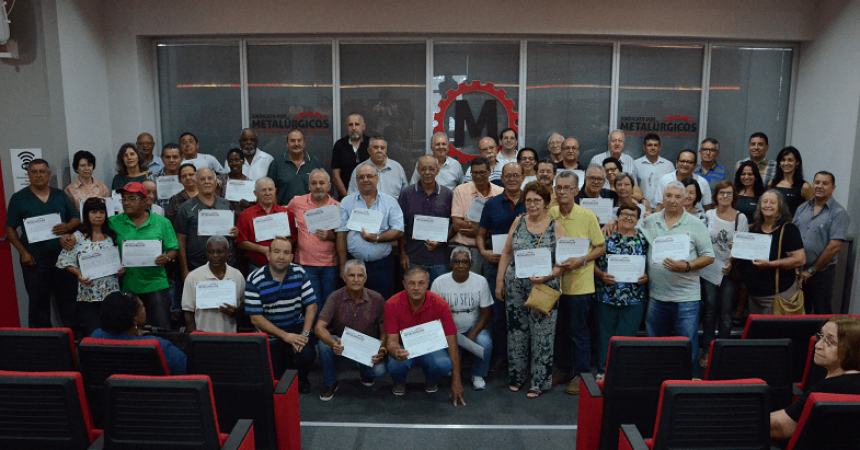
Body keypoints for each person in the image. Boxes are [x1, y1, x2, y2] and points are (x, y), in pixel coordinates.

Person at [496, 182, 567, 398]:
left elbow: (563, 262)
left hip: (544, 285)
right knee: (516, 331)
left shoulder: (556, 226)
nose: (533, 204)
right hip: (516, 284)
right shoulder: (518, 221)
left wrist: (549, 275)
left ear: (546, 202)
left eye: (537, 200)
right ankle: (517, 376)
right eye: (529, 200)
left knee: (542, 334)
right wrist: (500, 282)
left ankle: (539, 381)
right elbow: (507, 253)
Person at [640, 181, 715, 366]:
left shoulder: (696, 224)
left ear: (685, 200)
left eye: (677, 196)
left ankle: (685, 386)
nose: (672, 200)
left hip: (686, 299)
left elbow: (709, 256)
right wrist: (611, 222)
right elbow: (630, 235)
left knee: (686, 346)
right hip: (656, 297)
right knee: (655, 347)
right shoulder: (650, 221)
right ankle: (657, 384)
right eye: (669, 196)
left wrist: (687, 266)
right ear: (663, 198)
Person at [548, 171, 606, 394]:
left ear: (576, 190)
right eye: (558, 187)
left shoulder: (587, 216)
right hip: (555, 284)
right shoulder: (550, 213)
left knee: (578, 332)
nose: (562, 191)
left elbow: (600, 247)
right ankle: (563, 369)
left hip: (580, 285)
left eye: (567, 188)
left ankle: (581, 376)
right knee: (560, 330)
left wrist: (582, 259)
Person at [5, 159, 80, 328]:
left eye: (42, 171)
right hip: (35, 262)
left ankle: (74, 344)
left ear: (48, 174)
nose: (38, 175)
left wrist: (68, 226)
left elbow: (76, 219)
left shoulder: (59, 195)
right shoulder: (19, 198)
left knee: (69, 304)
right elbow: (10, 229)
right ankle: (43, 348)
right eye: (34, 172)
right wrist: (23, 252)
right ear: (28, 175)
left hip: (63, 259)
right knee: (39, 307)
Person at [770, 316, 860, 441]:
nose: (818, 345)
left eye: (830, 341)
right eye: (821, 336)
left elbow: (780, 427)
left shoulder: (829, 388)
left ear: (852, 350)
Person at [245, 238, 317, 393]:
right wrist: (285, 336)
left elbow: (311, 305)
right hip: (269, 334)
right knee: (275, 381)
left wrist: (304, 335)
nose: (281, 257)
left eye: (286, 253)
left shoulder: (299, 272)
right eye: (277, 252)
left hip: (295, 326)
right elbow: (255, 318)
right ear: (268, 255)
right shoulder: (254, 279)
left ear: (292, 257)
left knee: (307, 353)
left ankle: (301, 379)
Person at [385, 267, 465, 405]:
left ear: (427, 283)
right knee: (395, 364)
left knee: (444, 364)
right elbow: (391, 341)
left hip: (430, 348)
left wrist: (457, 381)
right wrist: (395, 351)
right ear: (404, 284)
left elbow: (452, 343)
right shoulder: (392, 304)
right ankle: (399, 382)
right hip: (404, 347)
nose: (416, 288)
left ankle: (431, 379)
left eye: (421, 283)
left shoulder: (441, 304)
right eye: (411, 283)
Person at [314, 259, 387, 401]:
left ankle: (364, 370)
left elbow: (385, 332)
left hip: (366, 348)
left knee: (379, 371)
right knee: (323, 344)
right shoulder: (335, 297)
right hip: (342, 344)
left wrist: (382, 349)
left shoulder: (377, 298)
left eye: (360, 276)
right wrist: (333, 343)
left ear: (365, 278)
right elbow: (319, 328)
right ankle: (331, 383)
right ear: (344, 277)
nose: (355, 280)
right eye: (351, 275)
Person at [477, 162, 526, 372]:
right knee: (498, 314)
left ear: (523, 177)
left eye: (516, 175)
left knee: (523, 313)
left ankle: (522, 357)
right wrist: (483, 252)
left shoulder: (532, 202)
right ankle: (500, 356)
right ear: (502, 179)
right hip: (497, 266)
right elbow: (480, 234)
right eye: (508, 175)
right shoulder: (491, 204)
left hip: (525, 266)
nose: (512, 179)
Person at [109, 182, 179, 329]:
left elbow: (174, 249)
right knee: (128, 330)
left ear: (144, 201)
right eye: (124, 199)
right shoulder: (113, 222)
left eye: (132, 198)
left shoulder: (162, 222)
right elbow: (92, 234)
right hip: (128, 285)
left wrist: (166, 257)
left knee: (161, 328)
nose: (126, 203)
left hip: (156, 284)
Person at [593, 203, 649, 379]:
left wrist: (647, 276)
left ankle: (622, 373)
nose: (628, 217)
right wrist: (601, 275)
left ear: (638, 220)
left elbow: (651, 265)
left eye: (633, 215)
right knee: (605, 336)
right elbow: (590, 261)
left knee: (627, 338)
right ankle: (603, 371)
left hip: (633, 298)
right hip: (606, 294)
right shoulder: (605, 236)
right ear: (617, 216)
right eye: (624, 213)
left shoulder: (643, 239)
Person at [56, 198, 124, 336]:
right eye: (93, 212)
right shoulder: (78, 237)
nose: (98, 216)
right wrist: (78, 274)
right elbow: (64, 260)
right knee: (94, 334)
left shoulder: (112, 235)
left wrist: (122, 269)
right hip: (89, 295)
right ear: (86, 214)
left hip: (111, 295)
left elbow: (121, 259)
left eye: (101, 212)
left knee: (113, 333)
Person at [337, 163, 405, 300]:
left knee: (381, 302)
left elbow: (398, 230)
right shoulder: (346, 202)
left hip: (381, 265)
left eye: (369, 176)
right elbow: (340, 235)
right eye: (361, 177)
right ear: (356, 181)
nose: (366, 180)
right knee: (353, 303)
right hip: (354, 265)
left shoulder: (390, 202)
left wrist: (377, 238)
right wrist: (343, 265)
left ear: (377, 178)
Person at [700, 181, 748, 368]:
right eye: (721, 193)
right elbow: (702, 239)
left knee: (726, 314)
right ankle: (707, 352)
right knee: (710, 310)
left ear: (733, 196)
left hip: (729, 270)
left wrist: (731, 262)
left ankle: (723, 352)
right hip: (710, 268)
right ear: (716, 196)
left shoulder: (740, 217)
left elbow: (743, 245)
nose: (725, 197)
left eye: (728, 194)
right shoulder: (708, 214)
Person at [733, 190, 805, 314]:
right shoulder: (755, 228)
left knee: (776, 333)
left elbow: (800, 259)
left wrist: (770, 264)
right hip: (754, 295)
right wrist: (738, 247)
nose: (768, 205)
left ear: (780, 207)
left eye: (773, 203)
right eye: (765, 202)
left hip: (778, 295)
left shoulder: (788, 229)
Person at [431, 247, 494, 390]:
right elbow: (434, 315)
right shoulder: (439, 282)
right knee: (445, 363)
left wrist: (473, 334)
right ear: (450, 264)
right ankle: (451, 368)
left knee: (485, 343)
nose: (460, 266)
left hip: (473, 326)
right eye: (456, 262)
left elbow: (486, 313)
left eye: (465, 262)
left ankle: (478, 374)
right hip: (447, 330)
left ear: (471, 264)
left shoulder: (481, 281)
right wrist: (449, 335)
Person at [90, 291, 186, 375]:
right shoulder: (160, 345)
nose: (145, 309)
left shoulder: (95, 338)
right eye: (142, 307)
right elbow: (186, 373)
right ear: (134, 318)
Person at [794, 171, 849, 315]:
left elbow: (835, 246)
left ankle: (822, 338)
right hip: (798, 271)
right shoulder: (802, 208)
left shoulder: (838, 213)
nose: (820, 186)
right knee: (799, 312)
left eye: (825, 183)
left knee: (821, 312)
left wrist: (812, 270)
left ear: (833, 187)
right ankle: (802, 338)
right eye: (817, 182)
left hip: (822, 273)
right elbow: (792, 236)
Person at [287, 169, 340, 310]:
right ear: (309, 186)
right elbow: (282, 217)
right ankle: (315, 332)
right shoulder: (297, 203)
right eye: (314, 183)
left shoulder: (337, 207)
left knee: (329, 303)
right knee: (312, 304)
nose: (318, 186)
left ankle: (326, 331)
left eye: (322, 183)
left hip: (330, 264)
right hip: (305, 264)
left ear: (329, 186)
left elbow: (343, 237)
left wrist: (330, 236)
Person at [399, 155, 454, 287]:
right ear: (418, 170)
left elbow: (454, 225)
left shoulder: (448, 194)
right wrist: (403, 253)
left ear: (437, 170)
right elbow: (400, 226)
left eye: (431, 169)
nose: (427, 172)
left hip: (440, 260)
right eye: (423, 169)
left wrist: (440, 242)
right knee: (414, 298)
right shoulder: (407, 194)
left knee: (440, 299)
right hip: (413, 258)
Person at [175, 168, 238, 280]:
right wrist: (184, 270)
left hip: (225, 266)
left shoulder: (226, 205)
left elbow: (234, 234)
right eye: (202, 179)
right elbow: (180, 240)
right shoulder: (185, 208)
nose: (207, 181)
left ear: (215, 182)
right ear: (196, 183)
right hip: (196, 266)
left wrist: (235, 233)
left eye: (210, 178)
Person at [451, 157, 504, 276]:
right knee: (469, 286)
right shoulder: (460, 190)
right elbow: (458, 223)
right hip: (467, 249)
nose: (478, 176)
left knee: (491, 286)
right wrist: (485, 230)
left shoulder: (500, 192)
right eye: (474, 173)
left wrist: (477, 230)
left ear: (490, 172)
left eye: (482, 172)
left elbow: (501, 224)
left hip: (492, 249)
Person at [181, 235, 245, 333]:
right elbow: (188, 311)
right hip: (202, 336)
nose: (215, 255)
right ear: (206, 253)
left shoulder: (237, 275)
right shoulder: (193, 277)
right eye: (211, 252)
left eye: (220, 252)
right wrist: (194, 337)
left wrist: (235, 312)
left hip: (229, 336)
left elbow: (244, 306)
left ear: (228, 253)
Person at [235, 177, 298, 271]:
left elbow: (294, 238)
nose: (267, 193)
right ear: (255, 193)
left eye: (270, 189)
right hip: (256, 267)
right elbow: (241, 243)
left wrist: (284, 242)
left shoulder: (286, 213)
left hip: (283, 266)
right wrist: (262, 249)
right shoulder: (246, 215)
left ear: (275, 191)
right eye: (263, 190)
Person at [268, 129, 323, 206]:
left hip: (310, 212)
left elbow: (322, 189)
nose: (296, 144)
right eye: (292, 141)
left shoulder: (315, 162)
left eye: (299, 140)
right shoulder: (276, 163)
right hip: (285, 212)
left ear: (304, 142)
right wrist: (277, 213)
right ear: (287, 143)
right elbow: (271, 192)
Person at [331, 113, 370, 198]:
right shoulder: (339, 145)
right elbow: (336, 176)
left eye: (357, 124)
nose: (354, 128)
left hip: (370, 198)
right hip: (346, 196)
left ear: (363, 127)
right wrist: (348, 198)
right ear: (346, 127)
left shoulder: (371, 144)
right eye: (350, 125)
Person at [770, 146, 813, 215]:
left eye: (790, 160)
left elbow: (813, 209)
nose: (786, 163)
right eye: (783, 160)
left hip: (794, 224)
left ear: (797, 162)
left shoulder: (805, 187)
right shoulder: (772, 184)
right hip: (773, 224)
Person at [633, 133, 673, 204]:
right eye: (649, 145)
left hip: (663, 207)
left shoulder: (668, 166)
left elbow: (673, 188)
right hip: (642, 206)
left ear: (659, 148)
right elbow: (633, 188)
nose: (653, 148)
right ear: (644, 147)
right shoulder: (635, 164)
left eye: (655, 145)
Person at [216, 148, 254, 216]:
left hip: (244, 218)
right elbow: (216, 203)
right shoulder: (220, 180)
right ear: (227, 162)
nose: (234, 163)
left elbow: (253, 207)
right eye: (231, 161)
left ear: (243, 161)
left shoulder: (250, 183)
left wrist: (248, 205)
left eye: (237, 160)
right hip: (224, 217)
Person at [148, 143, 183, 212]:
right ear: (162, 158)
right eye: (168, 157)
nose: (171, 160)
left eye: (175, 157)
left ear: (182, 158)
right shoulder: (152, 179)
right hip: (160, 219)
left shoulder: (189, 178)